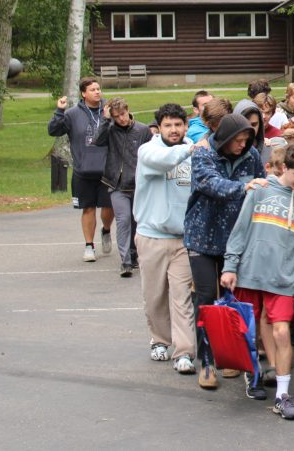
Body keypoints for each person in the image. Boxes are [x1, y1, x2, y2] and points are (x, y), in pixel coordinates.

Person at [221, 141, 294, 420]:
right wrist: (230, 266)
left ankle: (283, 395)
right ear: (284, 168)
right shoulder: (260, 191)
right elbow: (240, 230)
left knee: (282, 331)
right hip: (249, 272)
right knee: (250, 328)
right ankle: (254, 375)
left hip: (283, 279)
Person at [184, 112, 267, 390]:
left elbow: (262, 183)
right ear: (225, 138)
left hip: (236, 239)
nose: (242, 146)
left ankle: (231, 355)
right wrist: (245, 187)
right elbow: (210, 184)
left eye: (247, 140)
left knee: (234, 299)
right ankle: (206, 361)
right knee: (207, 297)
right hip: (203, 237)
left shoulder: (252, 155)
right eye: (238, 141)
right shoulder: (203, 154)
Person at [133, 103, 198, 374]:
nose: (174, 130)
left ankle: (184, 352)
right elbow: (165, 160)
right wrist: (192, 147)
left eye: (178, 125)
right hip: (151, 236)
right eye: (168, 125)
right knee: (155, 294)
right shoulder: (149, 150)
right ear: (158, 128)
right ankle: (160, 340)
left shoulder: (194, 152)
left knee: (182, 296)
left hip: (183, 238)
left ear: (185, 126)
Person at [47, 77, 114, 262]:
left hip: (107, 170)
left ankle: (106, 230)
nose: (97, 92)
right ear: (84, 93)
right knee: (88, 208)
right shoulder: (72, 114)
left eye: (98, 89)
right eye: (92, 89)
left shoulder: (109, 110)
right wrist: (59, 110)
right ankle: (89, 246)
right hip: (83, 170)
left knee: (109, 208)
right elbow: (53, 130)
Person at [95, 97, 151, 276]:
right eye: (117, 116)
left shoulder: (142, 130)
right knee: (123, 219)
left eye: (123, 114)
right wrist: (105, 120)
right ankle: (125, 261)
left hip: (138, 184)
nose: (122, 119)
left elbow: (151, 153)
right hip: (116, 184)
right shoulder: (110, 130)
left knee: (137, 222)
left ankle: (134, 255)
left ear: (128, 110)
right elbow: (97, 141)